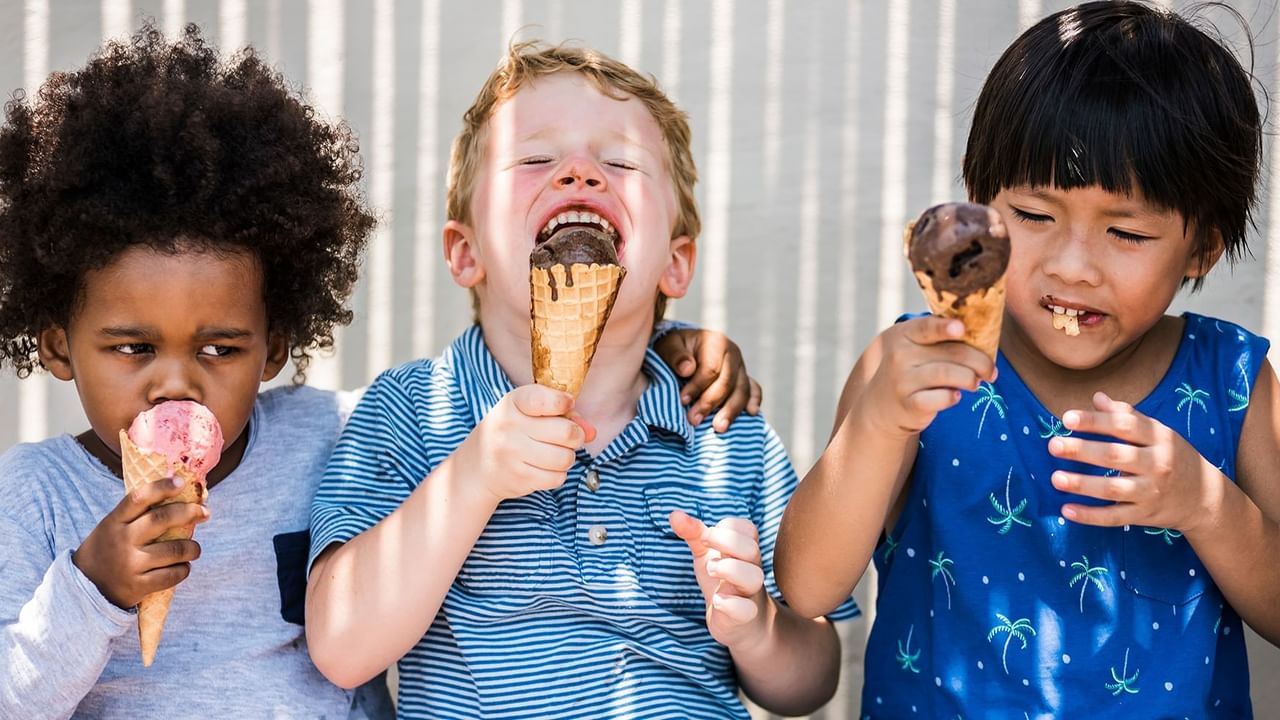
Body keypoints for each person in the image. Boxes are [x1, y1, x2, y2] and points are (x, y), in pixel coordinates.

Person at [0, 25, 755, 718]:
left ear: (276, 346)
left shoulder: (327, 431)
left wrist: (664, 344)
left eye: (220, 348)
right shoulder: (34, 497)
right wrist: (89, 589)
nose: (176, 383)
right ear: (59, 344)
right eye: (132, 348)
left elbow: (477, 389)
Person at [305, 41, 857, 719]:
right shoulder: (412, 410)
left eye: (620, 162)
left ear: (675, 265)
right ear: (465, 251)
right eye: (535, 158)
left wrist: (757, 627)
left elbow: (812, 682)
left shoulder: (722, 430)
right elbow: (339, 645)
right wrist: (471, 478)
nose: (579, 173)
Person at [775, 2, 1280, 717]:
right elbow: (808, 587)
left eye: (1127, 232)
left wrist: (1207, 507)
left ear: (1203, 246)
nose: (1072, 267)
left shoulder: (1231, 383)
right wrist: (880, 422)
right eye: (1035, 217)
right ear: (981, 205)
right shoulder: (912, 364)